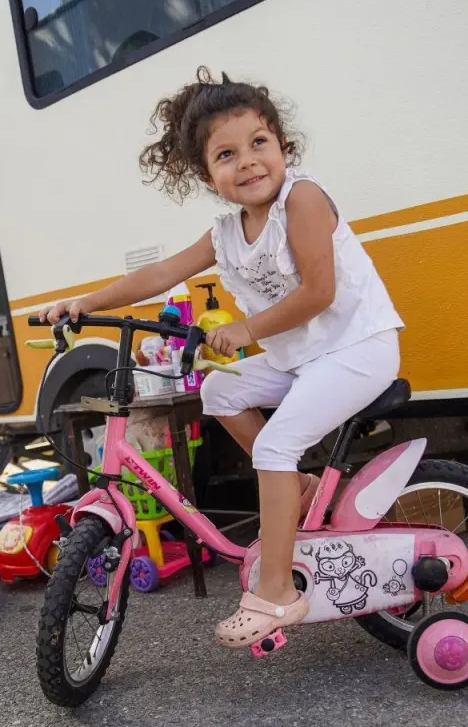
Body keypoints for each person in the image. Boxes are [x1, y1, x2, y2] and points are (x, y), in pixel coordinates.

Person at [38, 67, 404, 648]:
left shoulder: (301, 199)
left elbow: (319, 292)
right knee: (218, 391)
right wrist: (85, 301)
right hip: (305, 358)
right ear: (208, 176)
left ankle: (277, 593)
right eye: (227, 155)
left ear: (282, 144)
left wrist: (245, 328)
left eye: (259, 143)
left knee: (277, 445)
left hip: (358, 349)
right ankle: (301, 491)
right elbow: (160, 274)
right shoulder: (227, 231)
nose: (249, 162)